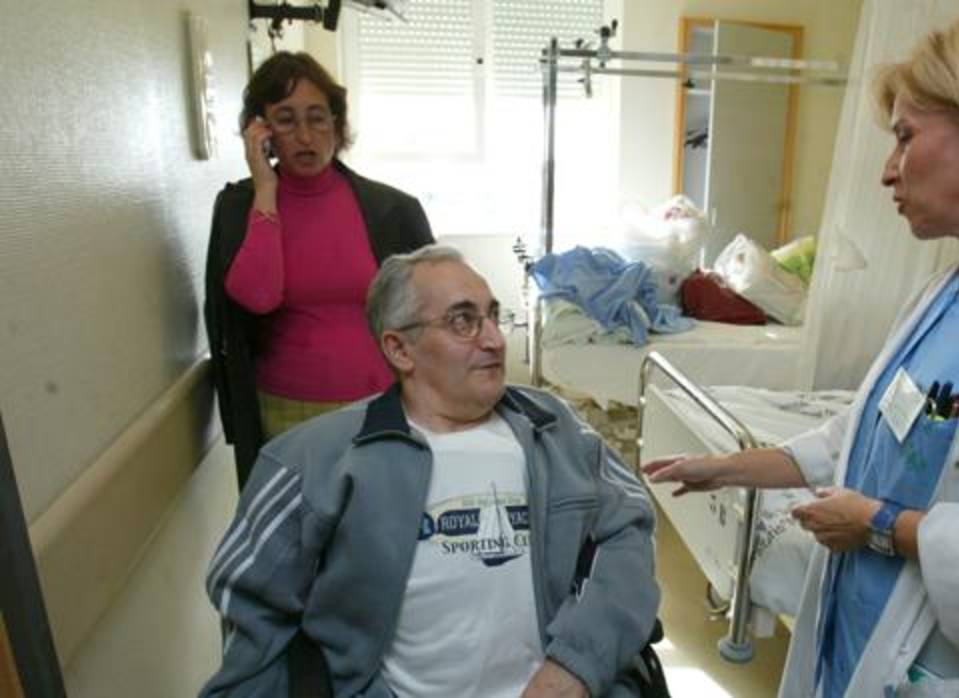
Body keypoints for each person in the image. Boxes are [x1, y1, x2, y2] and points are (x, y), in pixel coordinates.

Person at [644, 6, 959, 697]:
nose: (889, 171)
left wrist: (878, 525)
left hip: (956, 669)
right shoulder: (948, 290)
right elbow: (868, 431)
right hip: (858, 636)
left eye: (906, 137)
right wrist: (734, 466)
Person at [201, 246, 659, 697]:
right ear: (400, 349)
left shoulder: (556, 430)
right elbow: (249, 602)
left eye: (493, 316)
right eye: (463, 320)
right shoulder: (312, 460)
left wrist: (577, 665)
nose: (495, 339)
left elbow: (629, 534)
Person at [204, 51, 434, 486]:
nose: (305, 136)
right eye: (286, 120)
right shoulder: (239, 209)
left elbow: (431, 313)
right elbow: (258, 295)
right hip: (286, 412)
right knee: (303, 544)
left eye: (318, 118)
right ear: (262, 131)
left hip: (382, 403)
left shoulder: (393, 209)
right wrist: (265, 190)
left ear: (338, 125)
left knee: (381, 537)